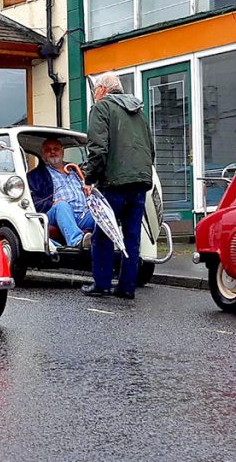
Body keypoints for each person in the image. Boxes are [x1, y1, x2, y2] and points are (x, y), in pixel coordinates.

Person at [80, 72, 155, 300]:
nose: (94, 95)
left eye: (95, 91)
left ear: (102, 90)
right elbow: (150, 149)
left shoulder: (101, 108)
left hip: (114, 181)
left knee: (102, 233)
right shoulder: (139, 112)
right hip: (140, 181)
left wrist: (89, 178)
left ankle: (101, 284)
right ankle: (127, 287)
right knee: (131, 236)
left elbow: (98, 148)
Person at [28, 139, 94, 248]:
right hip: (56, 213)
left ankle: (106, 242)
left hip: (83, 214)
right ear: (43, 155)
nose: (53, 152)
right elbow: (33, 202)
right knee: (62, 205)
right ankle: (77, 241)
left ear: (62, 152)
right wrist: (51, 204)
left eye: (56, 149)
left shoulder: (75, 170)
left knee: (100, 210)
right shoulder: (35, 176)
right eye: (48, 150)